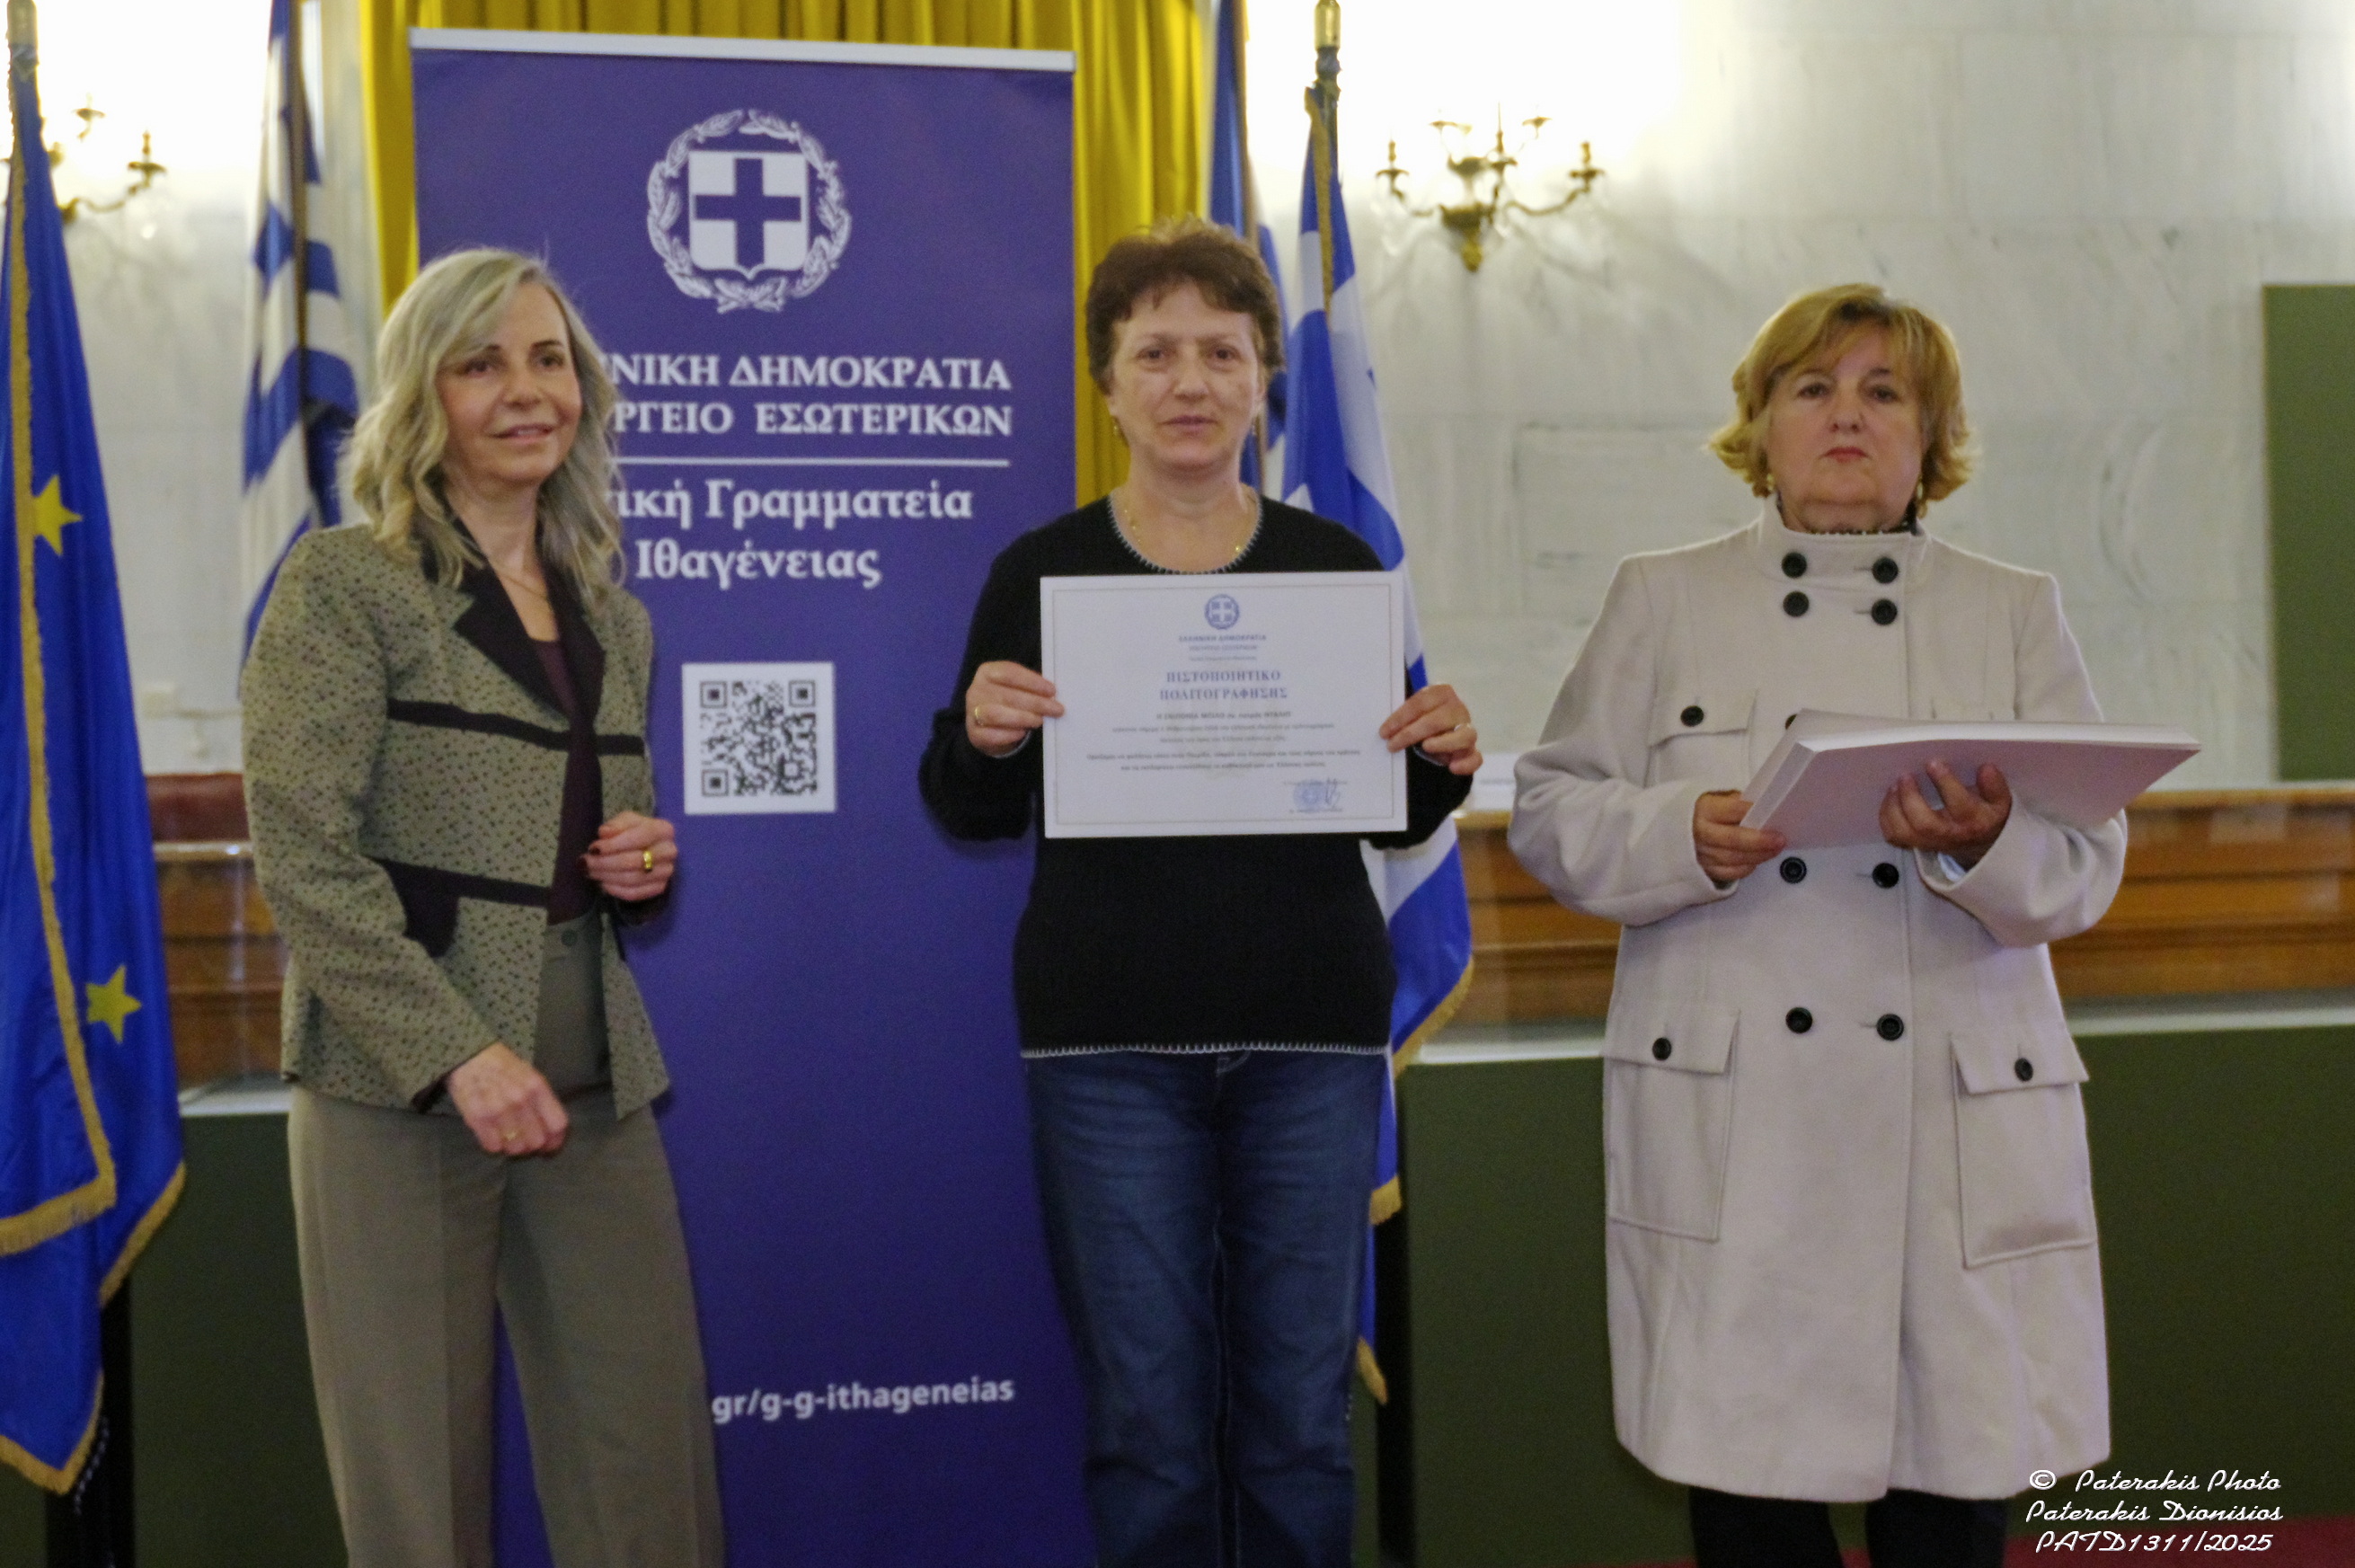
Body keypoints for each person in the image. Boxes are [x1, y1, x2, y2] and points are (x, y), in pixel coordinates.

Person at [1509, 283, 2121, 1568]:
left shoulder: (2013, 608)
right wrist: (1681, 832)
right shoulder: (1662, 598)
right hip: (1747, 1134)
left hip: (1948, 1131)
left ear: (1930, 436)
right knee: (1750, 1500)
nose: (1847, 415)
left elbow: (2083, 867)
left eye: (1883, 392)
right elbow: (1553, 810)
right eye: (1813, 388)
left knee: (1951, 1498)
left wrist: (1981, 844)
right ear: (1761, 424)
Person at [918, 216, 1480, 1568]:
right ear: (1107, 386)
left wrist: (1441, 757)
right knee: (1149, 1426)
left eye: (1222, 353)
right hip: (1108, 1046)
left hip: (1308, 1038)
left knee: (1297, 1425)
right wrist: (980, 736)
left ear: (1264, 380)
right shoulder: (1038, 573)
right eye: (1155, 352)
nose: (1189, 381)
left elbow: (1389, 804)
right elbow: (969, 806)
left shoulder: (1335, 569)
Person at [244, 248, 722, 1568]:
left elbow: (602, 835)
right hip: (396, 1085)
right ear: (423, 397)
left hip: (591, 1074)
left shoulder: (614, 617)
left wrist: (639, 861)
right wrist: (460, 1052)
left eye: (549, 359)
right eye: (482, 364)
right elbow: (305, 856)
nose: (527, 391)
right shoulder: (345, 584)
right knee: (420, 1491)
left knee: (647, 1463)